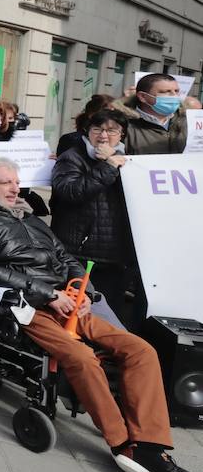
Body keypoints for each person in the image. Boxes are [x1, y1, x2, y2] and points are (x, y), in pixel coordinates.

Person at [0, 159, 203, 472]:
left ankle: (151, 444)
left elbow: (65, 257)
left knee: (140, 349)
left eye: (15, 180)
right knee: (81, 357)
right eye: (6, 182)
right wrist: (47, 294)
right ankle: (121, 443)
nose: (14, 187)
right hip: (23, 305)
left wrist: (84, 292)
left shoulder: (29, 218)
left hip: (68, 301)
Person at [50, 109, 141, 330]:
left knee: (111, 314)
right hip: (82, 251)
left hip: (116, 253)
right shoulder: (72, 157)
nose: (103, 136)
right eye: (97, 129)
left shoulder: (131, 160)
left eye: (111, 130)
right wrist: (107, 166)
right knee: (80, 313)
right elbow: (70, 191)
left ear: (122, 135)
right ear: (87, 132)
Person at [114, 73, 186, 154]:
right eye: (165, 92)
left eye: (176, 91)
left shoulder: (187, 121)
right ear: (143, 97)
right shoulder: (121, 124)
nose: (174, 96)